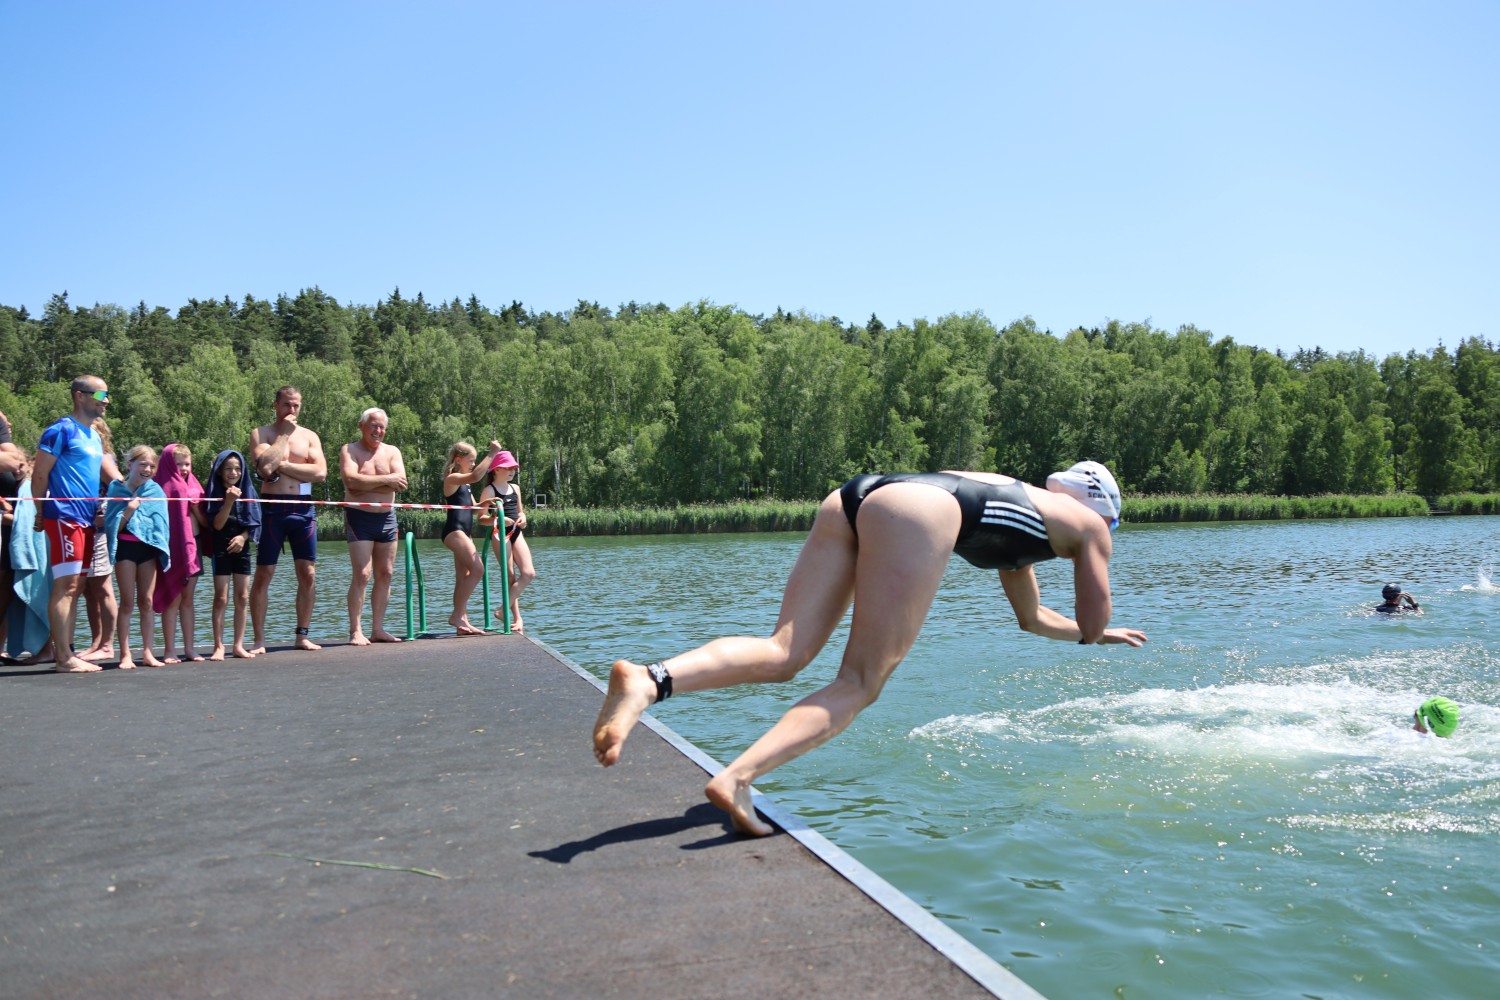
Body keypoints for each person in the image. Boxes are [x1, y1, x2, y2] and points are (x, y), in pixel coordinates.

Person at [593, 461, 1148, 836]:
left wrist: (1089, 634)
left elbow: (1033, 619)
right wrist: (1098, 630)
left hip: (862, 495)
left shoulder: (1026, 524)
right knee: (859, 682)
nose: (1107, 536)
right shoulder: (1090, 526)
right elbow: (1092, 619)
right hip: (920, 511)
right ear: (1105, 510)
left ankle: (649, 680)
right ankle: (737, 778)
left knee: (784, 651)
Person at [29, 375, 110, 673]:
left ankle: (67, 651)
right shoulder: (59, 430)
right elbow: (40, 474)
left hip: (87, 519)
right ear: (80, 395)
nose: (106, 401)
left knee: (76, 586)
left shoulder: (94, 436)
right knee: (66, 585)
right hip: (64, 516)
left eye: (107, 395)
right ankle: (63, 657)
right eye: (100, 395)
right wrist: (39, 510)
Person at [249, 386, 327, 653]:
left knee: (308, 573)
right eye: (286, 405)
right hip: (272, 509)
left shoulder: (310, 436)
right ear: (276, 405)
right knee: (264, 574)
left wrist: (281, 465)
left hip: (303, 509)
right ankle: (259, 640)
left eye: (296, 405)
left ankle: (302, 635)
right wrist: (283, 436)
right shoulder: (262, 433)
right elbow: (264, 468)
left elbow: (320, 473)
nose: (291, 410)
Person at [338, 407, 407, 645]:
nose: (378, 431)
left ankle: (378, 628)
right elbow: (351, 481)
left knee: (386, 573)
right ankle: (356, 630)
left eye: (382, 427)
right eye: (373, 426)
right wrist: (387, 480)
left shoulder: (392, 451)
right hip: (359, 517)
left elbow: (401, 482)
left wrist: (365, 483)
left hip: (387, 517)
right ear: (361, 426)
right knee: (363, 573)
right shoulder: (349, 450)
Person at [104, 445, 171, 669]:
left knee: (147, 602)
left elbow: (160, 525)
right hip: (125, 549)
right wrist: (129, 509)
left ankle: (148, 652)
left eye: (152, 466)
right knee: (127, 602)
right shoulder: (116, 489)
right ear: (129, 464)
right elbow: (113, 528)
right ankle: (125, 654)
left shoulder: (155, 491)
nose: (148, 469)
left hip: (147, 550)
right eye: (143, 464)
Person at [440, 439, 504, 635]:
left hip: (465, 533)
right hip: (454, 531)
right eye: (471, 460)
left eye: (475, 461)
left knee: (463, 578)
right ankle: (456, 615)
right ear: (458, 460)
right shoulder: (452, 478)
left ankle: (462, 622)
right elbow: (477, 476)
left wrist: (487, 503)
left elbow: (474, 510)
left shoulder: (465, 483)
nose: (474, 464)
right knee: (478, 569)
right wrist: (492, 453)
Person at [203, 449, 260, 660]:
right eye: (228, 468)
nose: (233, 473)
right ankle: (219, 646)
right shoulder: (213, 493)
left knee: (242, 597)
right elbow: (217, 525)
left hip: (242, 548)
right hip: (221, 549)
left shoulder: (249, 492)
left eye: (237, 468)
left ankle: (238, 645)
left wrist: (243, 538)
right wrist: (228, 501)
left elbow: (254, 523)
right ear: (219, 471)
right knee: (221, 597)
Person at [153, 444, 206, 662]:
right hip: (172, 547)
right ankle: (169, 650)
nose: (183, 468)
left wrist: (194, 508)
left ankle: (190, 648)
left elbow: (205, 523)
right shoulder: (160, 486)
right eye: (178, 464)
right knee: (172, 599)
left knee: (188, 599)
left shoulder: (195, 486)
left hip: (193, 546)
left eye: (187, 464)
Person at [79, 416, 122, 662]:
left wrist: (106, 517)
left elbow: (119, 490)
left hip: (99, 531)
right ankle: (96, 641)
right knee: (88, 589)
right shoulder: (87, 458)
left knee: (103, 587)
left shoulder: (104, 458)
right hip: (84, 527)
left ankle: (107, 644)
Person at [477, 450, 535, 632]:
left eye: (513, 468)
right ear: (496, 469)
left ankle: (502, 610)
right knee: (509, 576)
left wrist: (523, 517)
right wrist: (498, 519)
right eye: (508, 468)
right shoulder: (489, 490)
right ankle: (517, 619)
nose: (512, 471)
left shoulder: (515, 488)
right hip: (499, 533)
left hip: (516, 532)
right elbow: (481, 519)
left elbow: (520, 511)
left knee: (528, 573)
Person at [6, 456, 55, 663]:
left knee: (39, 596)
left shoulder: (28, 487)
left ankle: (47, 650)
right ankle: (45, 649)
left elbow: (26, 522)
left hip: (36, 552)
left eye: (20, 465)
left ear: (29, 464)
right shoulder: (19, 488)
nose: (17, 470)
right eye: (12, 468)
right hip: (35, 550)